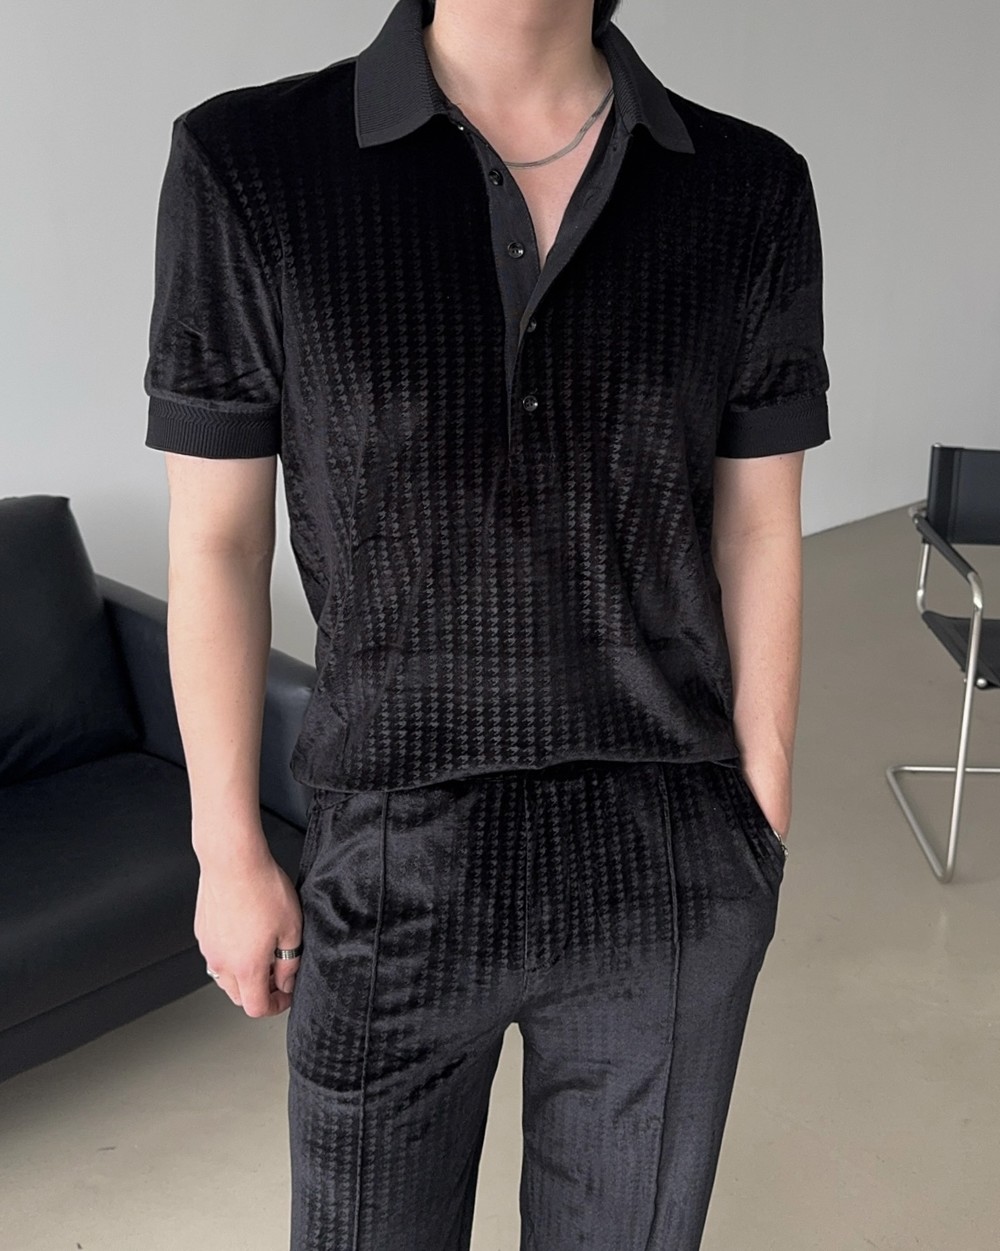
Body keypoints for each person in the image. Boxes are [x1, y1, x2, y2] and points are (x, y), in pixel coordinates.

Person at [143, 0, 830, 1246]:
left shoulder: (749, 186)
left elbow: (757, 527)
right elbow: (218, 543)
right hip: (390, 846)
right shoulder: (250, 165)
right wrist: (228, 847)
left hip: (666, 847)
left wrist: (758, 810)